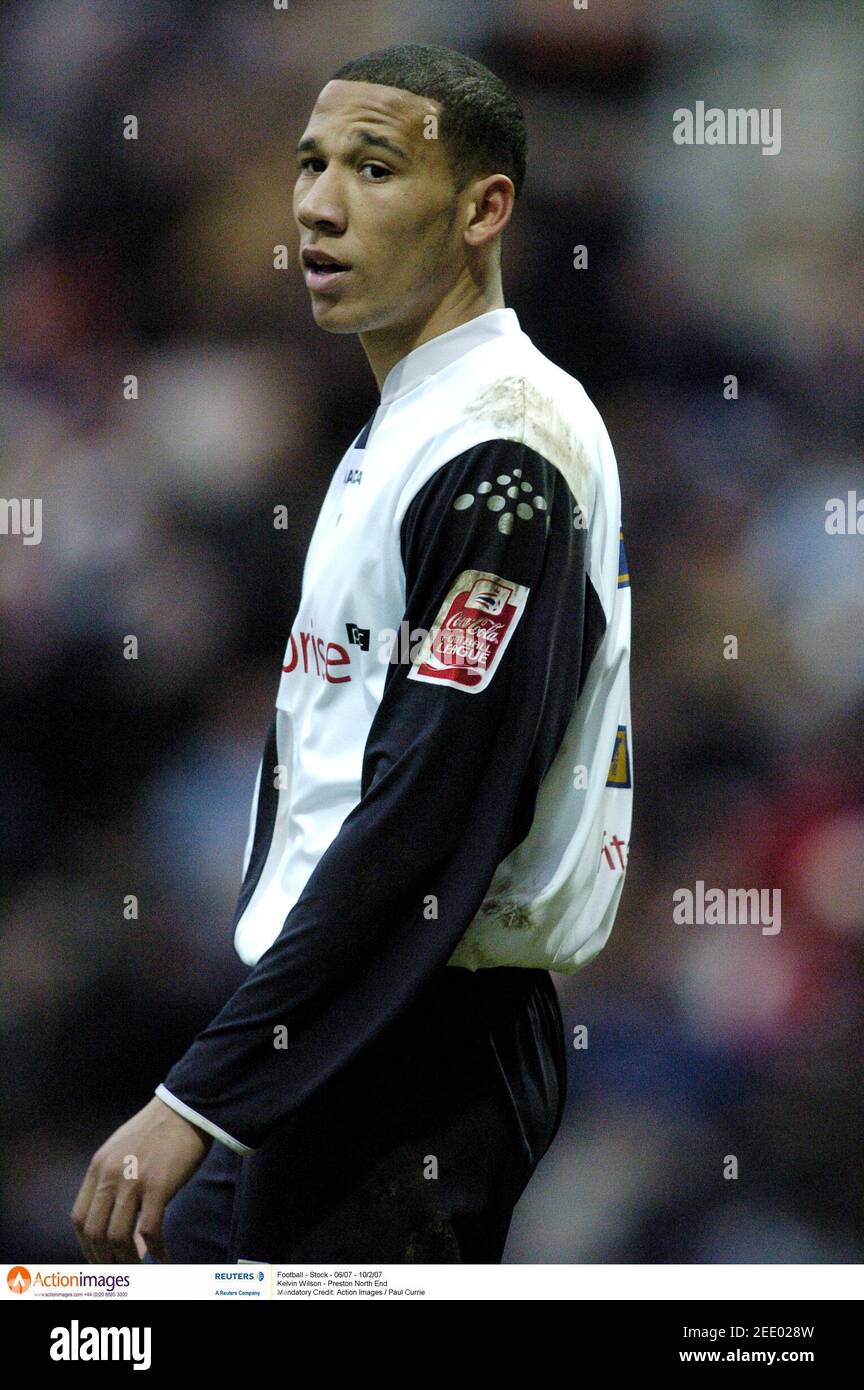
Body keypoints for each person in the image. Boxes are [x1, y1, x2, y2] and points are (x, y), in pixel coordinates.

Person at [71, 42, 633, 1266]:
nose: (321, 204)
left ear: (486, 208)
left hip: (413, 1045)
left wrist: (199, 1096)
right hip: (339, 1030)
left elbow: (429, 813)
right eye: (311, 165)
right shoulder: (414, 421)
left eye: (374, 168)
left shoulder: (503, 457)